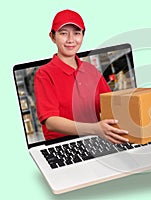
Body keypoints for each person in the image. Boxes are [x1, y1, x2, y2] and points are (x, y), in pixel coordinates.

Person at [34, 9, 128, 144]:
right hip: (63, 145)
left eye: (77, 33)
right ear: (53, 37)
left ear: (83, 36)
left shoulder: (90, 71)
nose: (71, 40)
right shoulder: (44, 74)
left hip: (96, 140)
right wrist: (95, 128)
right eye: (63, 33)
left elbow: (110, 104)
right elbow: (51, 121)